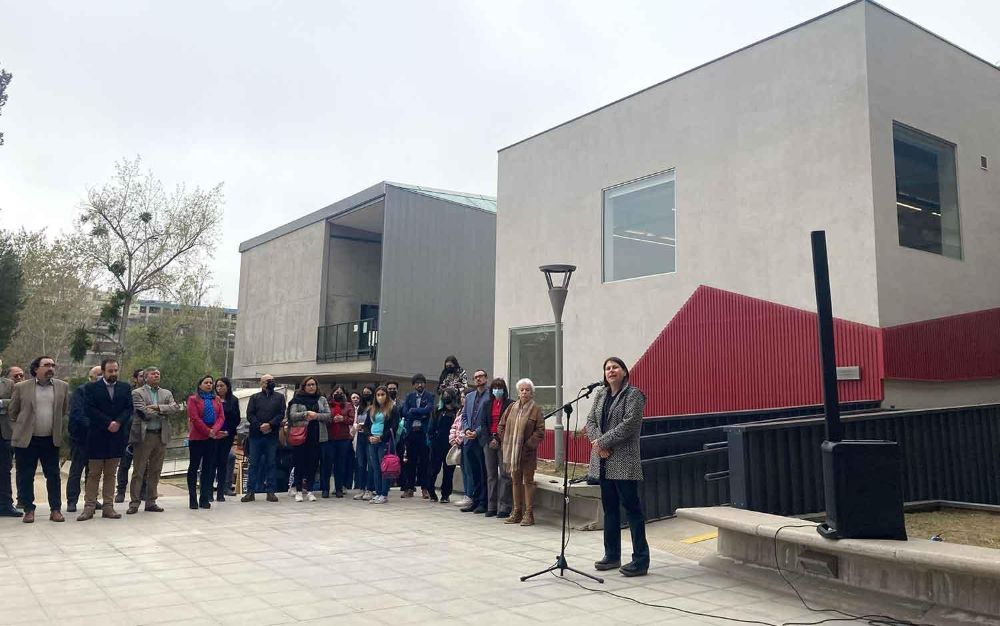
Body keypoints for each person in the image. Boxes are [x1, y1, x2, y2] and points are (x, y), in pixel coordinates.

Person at [586, 357, 650, 577]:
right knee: (610, 509)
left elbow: (630, 424)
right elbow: (591, 421)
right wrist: (598, 444)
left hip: (623, 460)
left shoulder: (634, 395)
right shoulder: (600, 394)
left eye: (615, 367)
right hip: (603, 461)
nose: (611, 371)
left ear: (624, 372)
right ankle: (612, 555)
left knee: (632, 509)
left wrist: (603, 442)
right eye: (607, 368)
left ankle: (640, 559)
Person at [8, 356, 69, 523]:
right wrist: (19, 431)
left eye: (52, 365)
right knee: (26, 476)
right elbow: (12, 413)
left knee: (54, 475)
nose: (51, 368)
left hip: (50, 440)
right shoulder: (21, 387)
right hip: (27, 441)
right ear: (36, 369)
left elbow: (63, 411)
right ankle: (29, 509)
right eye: (46, 365)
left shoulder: (62, 386)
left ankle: (55, 509)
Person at [79, 358, 132, 521]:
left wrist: (118, 422)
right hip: (97, 436)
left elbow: (128, 408)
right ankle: (89, 507)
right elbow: (89, 409)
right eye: (110, 371)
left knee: (111, 474)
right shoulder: (92, 388)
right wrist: (107, 423)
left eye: (116, 370)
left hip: (116, 437)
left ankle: (108, 507)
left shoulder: (125, 387)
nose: (114, 374)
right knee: (94, 473)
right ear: (103, 372)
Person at [127, 367, 180, 515]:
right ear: (145, 377)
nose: (156, 375)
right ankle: (134, 502)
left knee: (156, 471)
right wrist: (164, 411)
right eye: (153, 373)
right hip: (144, 436)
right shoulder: (137, 393)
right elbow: (143, 411)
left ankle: (151, 501)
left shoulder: (166, 393)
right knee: (139, 470)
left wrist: (157, 407)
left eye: (158, 373)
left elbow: (175, 408)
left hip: (161, 435)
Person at [498, 378, 545, 526]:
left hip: (527, 453)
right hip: (512, 452)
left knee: (528, 482)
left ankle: (528, 514)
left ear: (532, 393)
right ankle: (516, 511)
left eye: (527, 390)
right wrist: (506, 440)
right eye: (522, 390)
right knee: (515, 481)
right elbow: (501, 425)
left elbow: (540, 431)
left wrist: (527, 446)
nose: (524, 392)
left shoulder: (536, 409)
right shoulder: (512, 407)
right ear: (518, 393)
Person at [287, 376, 331, 502]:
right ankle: (299, 490)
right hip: (301, 435)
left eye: (313, 384)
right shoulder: (297, 399)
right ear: (304, 386)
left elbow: (328, 415)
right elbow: (292, 415)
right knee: (299, 463)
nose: (311, 387)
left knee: (313, 463)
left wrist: (316, 415)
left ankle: (310, 490)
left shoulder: (321, 399)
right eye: (309, 385)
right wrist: (305, 414)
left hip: (317, 435)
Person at [243, 374, 285, 502]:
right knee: (253, 464)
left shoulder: (280, 397)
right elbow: (250, 414)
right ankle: (250, 491)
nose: (270, 383)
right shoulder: (254, 397)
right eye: (268, 381)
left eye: (272, 381)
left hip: (272, 435)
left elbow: (281, 413)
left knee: (271, 463)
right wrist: (260, 425)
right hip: (256, 435)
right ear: (261, 383)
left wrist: (270, 424)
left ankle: (271, 491)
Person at [66, 365, 102, 513]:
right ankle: (72, 500)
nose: (100, 377)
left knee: (93, 471)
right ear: (90, 377)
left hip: (98, 438)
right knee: (76, 469)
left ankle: (91, 499)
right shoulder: (81, 391)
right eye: (97, 375)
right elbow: (77, 414)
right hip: (81, 437)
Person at [186, 375, 226, 510]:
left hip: (211, 438)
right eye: (206, 382)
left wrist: (213, 430)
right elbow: (195, 418)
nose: (209, 385)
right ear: (200, 385)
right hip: (197, 438)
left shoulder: (217, 399)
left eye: (211, 383)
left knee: (208, 469)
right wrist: (207, 431)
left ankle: (204, 497)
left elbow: (221, 417)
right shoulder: (193, 399)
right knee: (194, 466)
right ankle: (192, 498)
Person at [460, 369, 491, 514]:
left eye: (480, 376)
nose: (478, 379)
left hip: (481, 438)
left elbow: (488, 419)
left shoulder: (490, 395)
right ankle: (475, 500)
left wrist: (476, 432)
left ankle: (484, 502)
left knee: (483, 471)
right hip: (468, 439)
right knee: (473, 471)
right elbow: (464, 415)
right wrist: (466, 430)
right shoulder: (470, 396)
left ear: (486, 378)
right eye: (475, 377)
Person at [114, 368, 147, 503]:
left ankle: (143, 491)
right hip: (128, 433)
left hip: (145, 433)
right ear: (135, 379)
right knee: (124, 464)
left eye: (145, 376)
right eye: (141, 376)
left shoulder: (150, 394)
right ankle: (121, 491)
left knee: (144, 464)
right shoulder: (128, 393)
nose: (143, 378)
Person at [363, 385, 400, 505]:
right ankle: (378, 492)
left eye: (383, 394)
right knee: (375, 468)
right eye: (378, 395)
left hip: (384, 441)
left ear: (387, 395)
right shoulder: (371, 409)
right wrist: (369, 437)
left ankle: (384, 494)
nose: (380, 397)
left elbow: (393, 427)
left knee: (385, 468)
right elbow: (367, 425)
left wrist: (381, 438)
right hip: (372, 441)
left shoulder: (392, 409)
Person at [399, 374, 434, 499]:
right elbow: (405, 412)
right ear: (413, 385)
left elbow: (428, 410)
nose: (420, 385)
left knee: (424, 461)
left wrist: (414, 411)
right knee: (410, 461)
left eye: (422, 382)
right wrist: (419, 412)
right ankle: (409, 488)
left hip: (423, 433)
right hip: (411, 433)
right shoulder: (409, 396)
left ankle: (425, 488)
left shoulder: (429, 396)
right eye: (417, 383)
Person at [485, 378, 515, 518]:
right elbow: (483, 423)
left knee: (505, 474)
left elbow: (510, 424)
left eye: (500, 387)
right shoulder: (487, 404)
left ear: (504, 389)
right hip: (488, 442)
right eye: (495, 387)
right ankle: (491, 505)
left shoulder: (510, 404)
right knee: (491, 475)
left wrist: (498, 438)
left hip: (504, 442)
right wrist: (490, 439)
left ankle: (504, 506)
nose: (497, 390)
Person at [0, 365, 26, 517]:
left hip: (4, 434)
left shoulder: (8, 384)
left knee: (4, 470)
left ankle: (5, 505)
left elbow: (17, 402)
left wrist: (2, 403)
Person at [426, 387, 459, 503]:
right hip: (437, 444)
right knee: (434, 469)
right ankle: (430, 490)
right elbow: (431, 427)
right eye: (444, 395)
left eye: (448, 395)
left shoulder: (457, 411)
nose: (446, 397)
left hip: (451, 445)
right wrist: (431, 440)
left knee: (449, 470)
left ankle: (446, 494)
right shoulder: (437, 410)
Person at [321, 385, 354, 498]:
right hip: (329, 438)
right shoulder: (327, 404)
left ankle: (339, 488)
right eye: (336, 392)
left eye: (341, 392)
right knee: (327, 464)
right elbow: (324, 418)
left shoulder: (349, 405)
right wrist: (332, 419)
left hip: (343, 439)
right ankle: (325, 489)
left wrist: (343, 419)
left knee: (340, 465)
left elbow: (352, 419)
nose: (338, 394)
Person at [214, 377, 240, 502]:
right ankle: (208, 489)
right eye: (217, 386)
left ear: (227, 387)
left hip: (227, 435)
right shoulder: (212, 399)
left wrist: (227, 431)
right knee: (212, 461)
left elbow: (236, 419)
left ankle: (223, 489)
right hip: (213, 434)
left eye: (222, 386)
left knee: (224, 461)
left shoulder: (233, 400)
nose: (219, 388)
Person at [351, 385, 375, 501]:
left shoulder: (375, 407)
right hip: (360, 437)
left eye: (368, 392)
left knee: (370, 465)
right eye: (364, 393)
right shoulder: (360, 408)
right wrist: (356, 426)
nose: (366, 395)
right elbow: (356, 421)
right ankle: (361, 488)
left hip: (370, 437)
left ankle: (370, 489)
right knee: (360, 464)